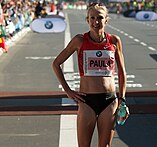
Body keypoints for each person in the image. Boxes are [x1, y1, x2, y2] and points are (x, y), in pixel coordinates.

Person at [52, 3, 129, 147]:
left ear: (106, 20)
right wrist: (68, 91)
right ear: (87, 20)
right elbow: (56, 64)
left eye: (100, 18)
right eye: (92, 18)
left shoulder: (114, 41)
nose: (96, 22)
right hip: (87, 100)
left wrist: (122, 99)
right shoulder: (79, 41)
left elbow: (122, 71)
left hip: (109, 101)